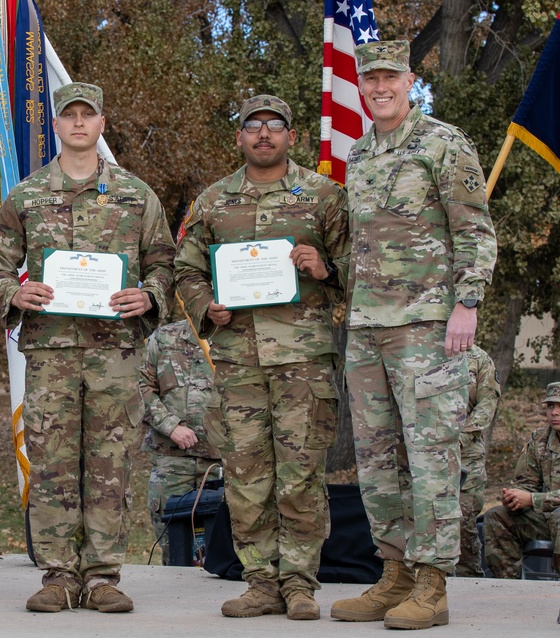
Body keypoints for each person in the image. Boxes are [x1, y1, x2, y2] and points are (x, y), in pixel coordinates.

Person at [0, 82, 175, 613]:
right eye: (69, 115)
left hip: (116, 353)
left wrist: (150, 294)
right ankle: (58, 574)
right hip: (51, 352)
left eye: (88, 115)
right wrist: (15, 292)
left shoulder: (137, 195)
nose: (78, 123)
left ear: (101, 124)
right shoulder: (26, 195)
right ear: (58, 125)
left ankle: (103, 575)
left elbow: (164, 261)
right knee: (52, 463)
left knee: (112, 463)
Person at [329, 41, 497, 630]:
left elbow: (475, 231)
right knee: (377, 462)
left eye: (389, 78)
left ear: (410, 80)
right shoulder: (361, 152)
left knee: (430, 458)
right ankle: (394, 573)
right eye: (369, 78)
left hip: (428, 325)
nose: (379, 87)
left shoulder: (444, 144)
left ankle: (433, 583)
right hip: (369, 327)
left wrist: (467, 304)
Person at [175, 94, 349, 621]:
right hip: (239, 360)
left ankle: (299, 583)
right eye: (254, 127)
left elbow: (360, 269)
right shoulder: (213, 201)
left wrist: (325, 269)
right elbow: (186, 270)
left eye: (276, 126)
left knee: (300, 474)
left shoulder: (324, 195)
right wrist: (209, 307)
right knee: (247, 473)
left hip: (304, 359)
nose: (265, 135)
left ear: (291, 136)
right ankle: (260, 581)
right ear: (240, 137)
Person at [138, 319, 220, 565]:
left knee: (225, 548)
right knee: (174, 550)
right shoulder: (165, 336)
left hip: (222, 462)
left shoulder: (239, 335)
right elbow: (139, 385)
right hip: (171, 461)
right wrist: (169, 425)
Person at [483, 383, 560, 579]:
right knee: (497, 516)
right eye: (550, 406)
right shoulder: (540, 439)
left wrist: (532, 500)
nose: (554, 412)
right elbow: (527, 481)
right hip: (546, 518)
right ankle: (511, 590)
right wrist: (515, 497)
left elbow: (533, 497)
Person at [456, 345, 500, 576]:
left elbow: (486, 406)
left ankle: (468, 577)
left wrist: (460, 438)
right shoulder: (422, 349)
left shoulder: (480, 359)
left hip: (466, 455)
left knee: (463, 521)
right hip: (423, 453)